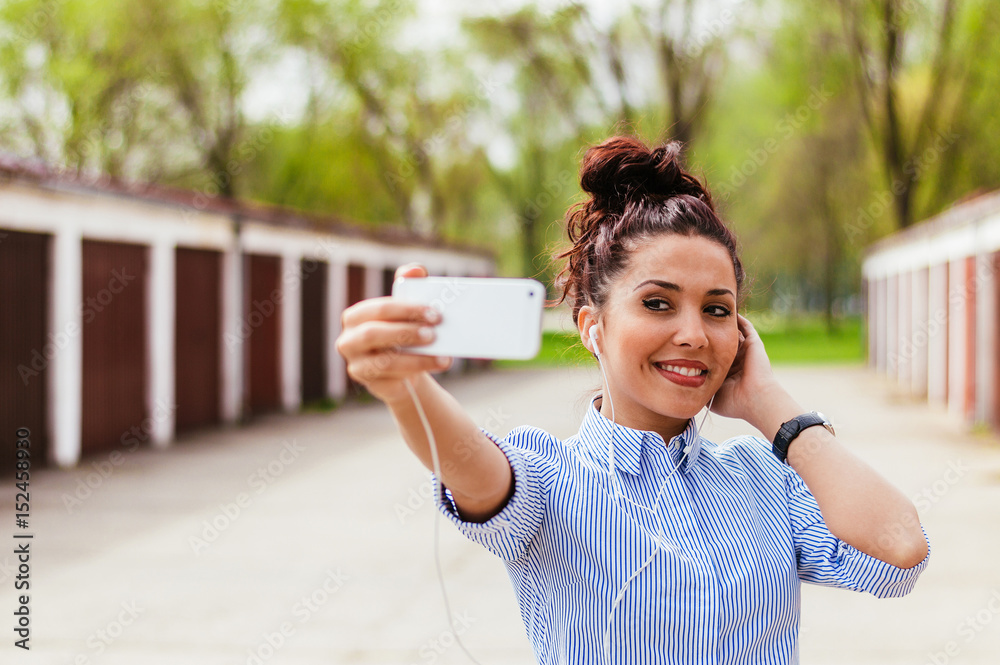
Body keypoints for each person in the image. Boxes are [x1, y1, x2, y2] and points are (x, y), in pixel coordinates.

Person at [335, 136, 931, 664]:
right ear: (592, 326)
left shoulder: (763, 480)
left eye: (717, 310)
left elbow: (900, 549)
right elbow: (468, 462)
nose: (695, 334)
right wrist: (402, 386)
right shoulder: (551, 480)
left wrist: (771, 405)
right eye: (657, 303)